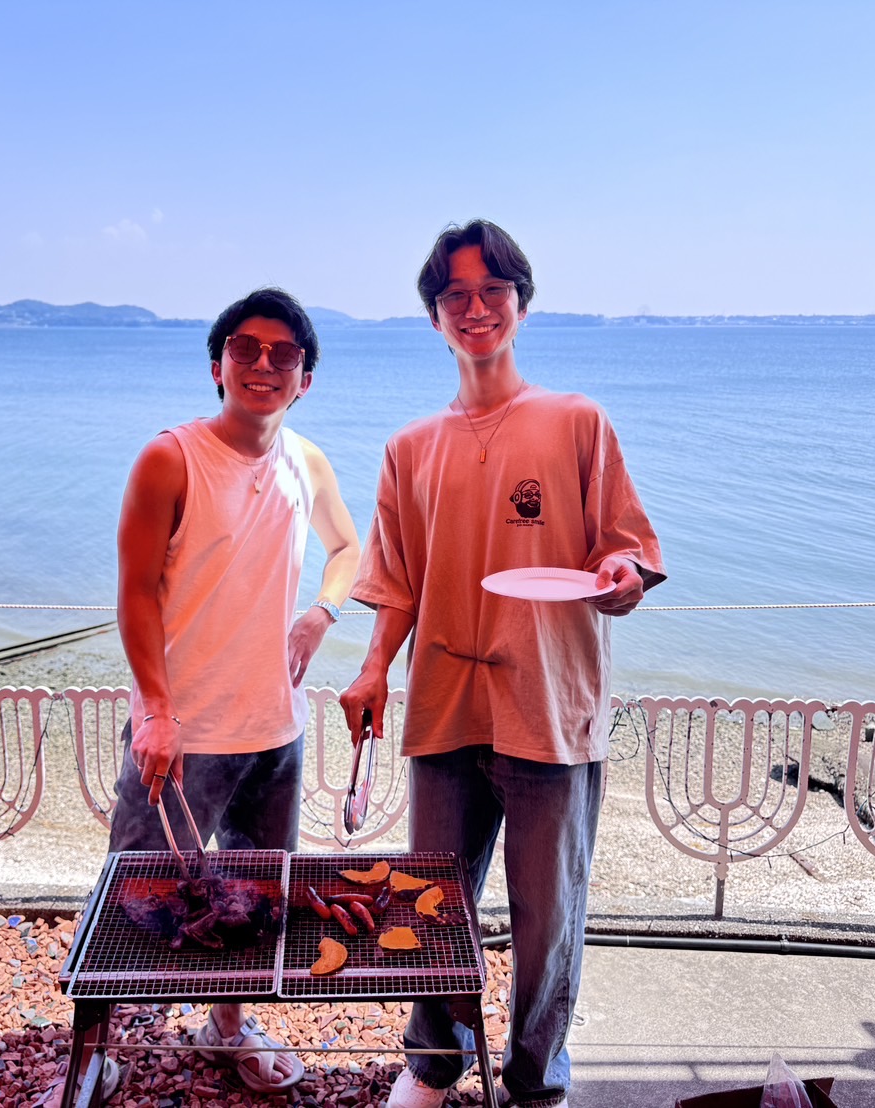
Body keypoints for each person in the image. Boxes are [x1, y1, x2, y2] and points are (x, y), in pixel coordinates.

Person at [340, 220, 665, 1108]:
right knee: (427, 903)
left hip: (548, 706)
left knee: (546, 918)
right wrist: (372, 669)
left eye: (492, 291)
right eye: (455, 295)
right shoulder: (409, 446)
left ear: (521, 304)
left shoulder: (576, 421)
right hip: (444, 703)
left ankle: (533, 1082)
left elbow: (624, 549)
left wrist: (621, 578)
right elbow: (397, 581)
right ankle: (431, 1065)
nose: (475, 308)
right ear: (434, 316)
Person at [109, 287, 360, 1094]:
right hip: (182, 734)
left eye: (283, 354)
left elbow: (348, 547)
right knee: (136, 901)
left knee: (255, 899)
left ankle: (226, 1025)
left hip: (275, 730)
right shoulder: (170, 458)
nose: (262, 365)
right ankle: (101, 1048)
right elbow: (134, 593)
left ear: (304, 379)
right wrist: (154, 711)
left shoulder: (305, 461)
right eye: (244, 349)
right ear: (216, 366)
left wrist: (320, 615)